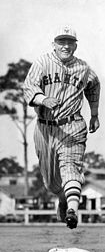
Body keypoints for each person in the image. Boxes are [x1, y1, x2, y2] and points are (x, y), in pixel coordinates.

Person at [23, 25, 100, 229]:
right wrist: (42, 99)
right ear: (54, 44)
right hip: (45, 128)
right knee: (50, 181)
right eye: (61, 42)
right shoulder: (42, 62)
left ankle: (73, 209)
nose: (65, 46)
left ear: (75, 45)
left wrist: (94, 114)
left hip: (73, 126)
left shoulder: (84, 68)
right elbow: (29, 86)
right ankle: (64, 198)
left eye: (70, 42)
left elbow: (94, 86)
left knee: (71, 168)